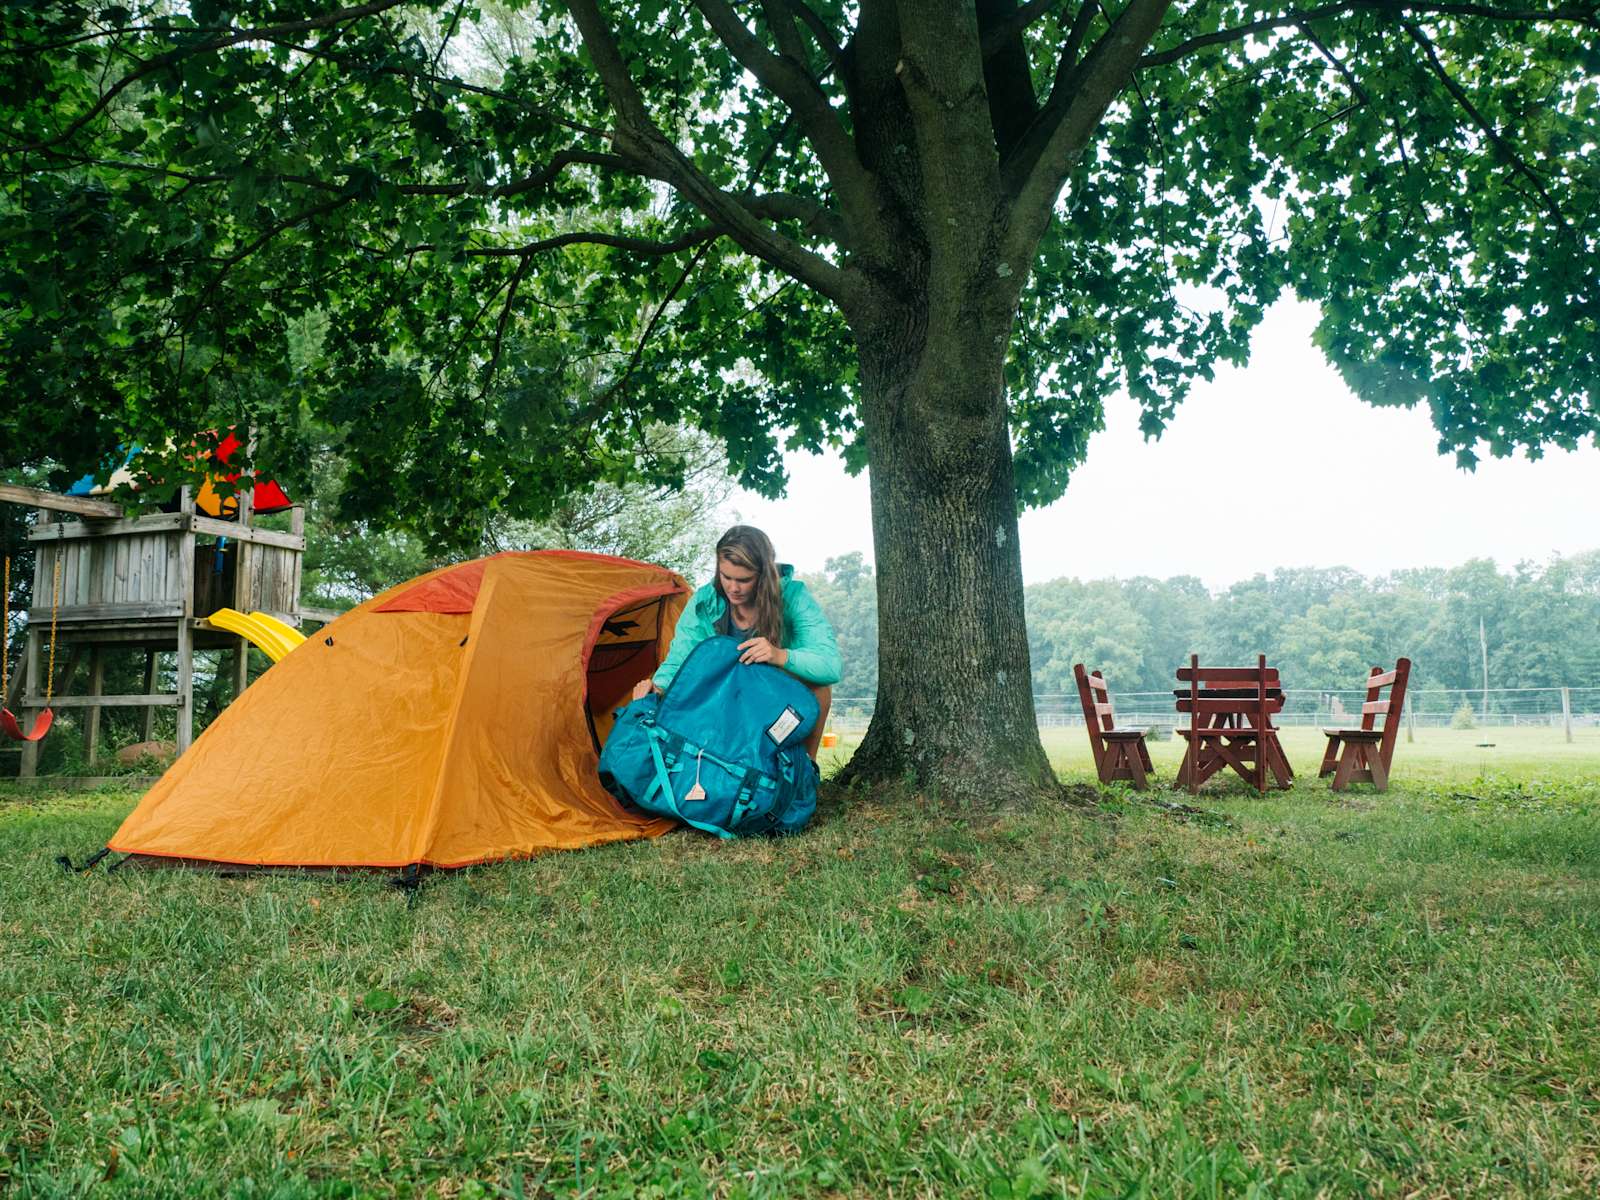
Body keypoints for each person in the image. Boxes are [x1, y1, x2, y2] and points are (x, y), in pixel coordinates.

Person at [633, 525, 841, 759]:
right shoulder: (704, 602)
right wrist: (657, 689)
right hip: (721, 698)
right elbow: (680, 660)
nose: (733, 588)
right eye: (726, 577)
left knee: (819, 689)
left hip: (775, 700)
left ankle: (805, 776)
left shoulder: (793, 596)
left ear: (764, 575)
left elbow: (830, 665)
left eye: (744, 580)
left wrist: (778, 655)